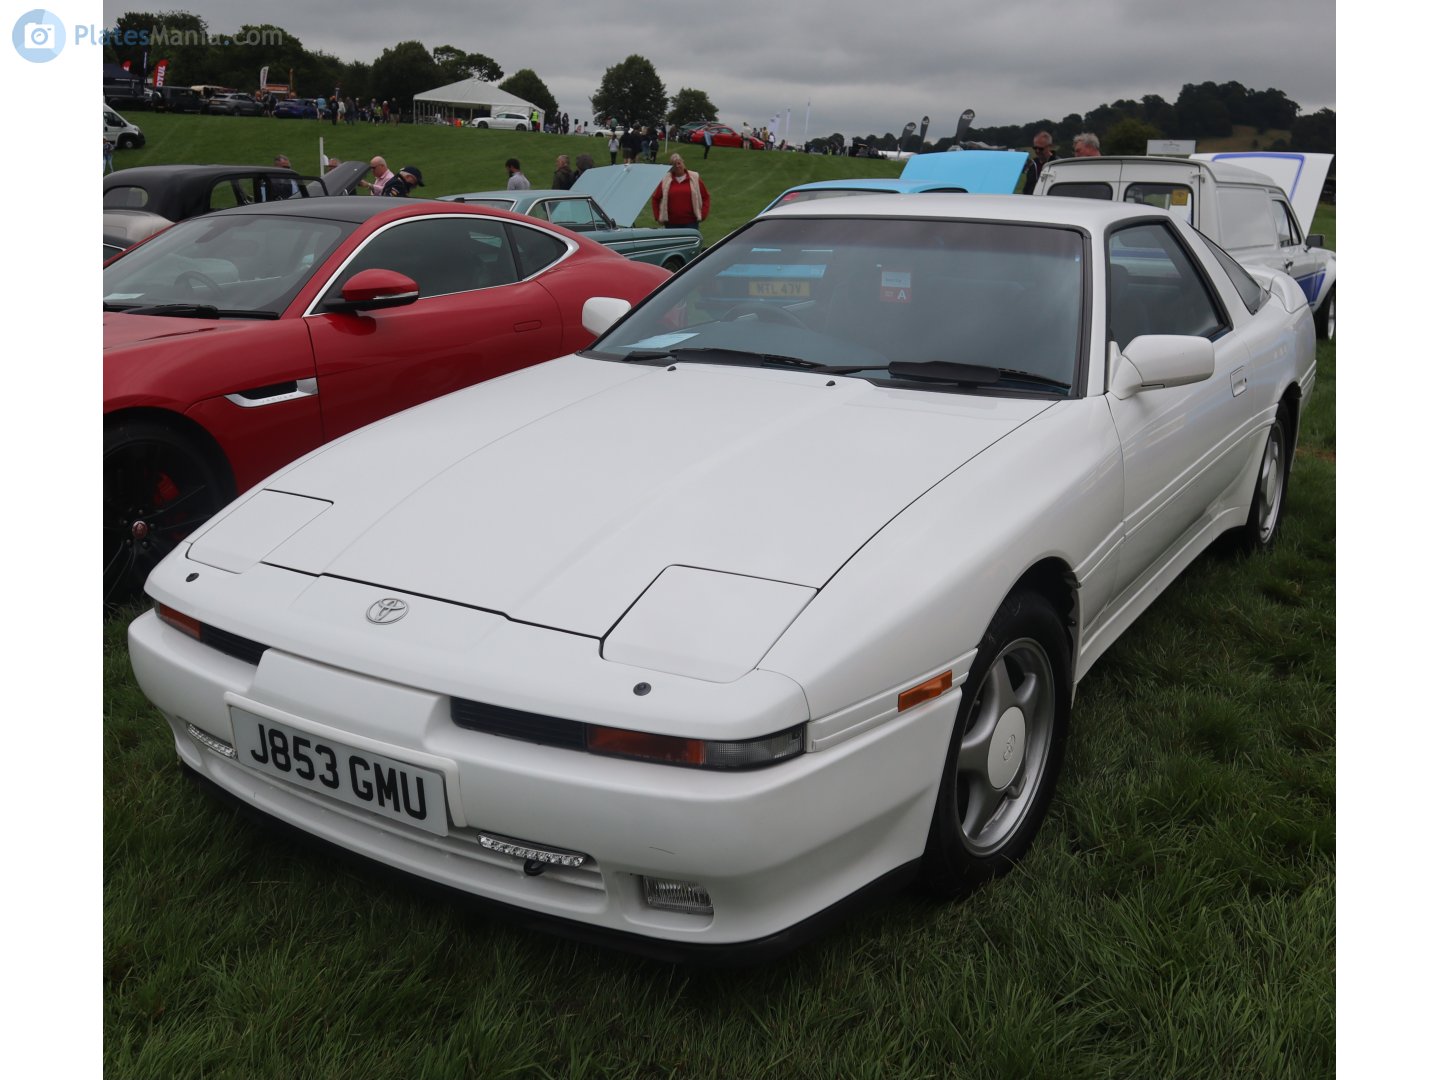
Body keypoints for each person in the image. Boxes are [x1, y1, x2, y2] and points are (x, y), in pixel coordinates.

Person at [651, 153, 710, 230]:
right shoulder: (665, 180)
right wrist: (657, 216)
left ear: (683, 162)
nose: (677, 166)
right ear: (671, 167)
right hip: (671, 224)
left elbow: (706, 197)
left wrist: (703, 214)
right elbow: (655, 198)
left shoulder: (694, 177)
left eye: (679, 163)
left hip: (691, 223)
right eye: (674, 165)